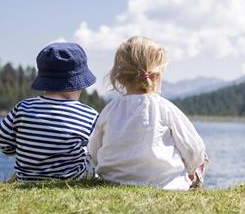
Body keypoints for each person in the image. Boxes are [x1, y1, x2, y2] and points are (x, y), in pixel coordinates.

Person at [88, 36, 208, 190]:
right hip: (165, 185)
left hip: (111, 180)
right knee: (201, 157)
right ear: (157, 76)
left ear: (120, 77)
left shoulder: (110, 109)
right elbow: (193, 149)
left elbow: (94, 148)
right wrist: (192, 170)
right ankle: (195, 182)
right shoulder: (165, 108)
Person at [0, 42, 99, 181]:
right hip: (72, 178)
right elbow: (100, 149)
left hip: (27, 178)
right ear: (77, 83)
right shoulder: (89, 115)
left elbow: (2, 140)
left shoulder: (23, 107)